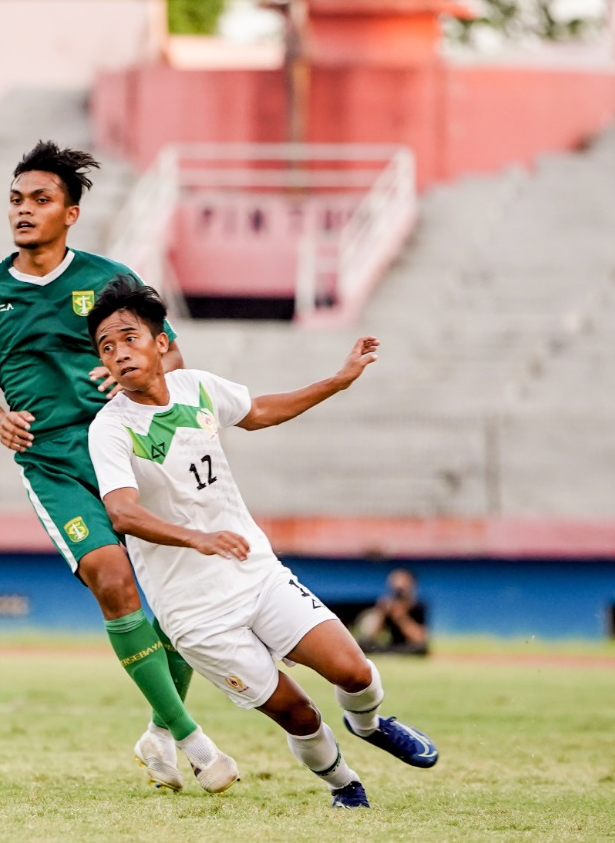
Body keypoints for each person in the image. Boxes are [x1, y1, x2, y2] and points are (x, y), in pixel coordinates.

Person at [0, 141, 238, 793]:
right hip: (52, 465)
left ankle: (158, 732)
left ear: (71, 213)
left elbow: (173, 362)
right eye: (17, 199)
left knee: (173, 610)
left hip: (132, 460)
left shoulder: (109, 282)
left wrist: (132, 368)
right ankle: (195, 739)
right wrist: (3, 421)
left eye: (40, 200)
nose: (24, 210)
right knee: (113, 580)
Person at [85, 275, 439, 808]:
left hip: (254, 571)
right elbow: (121, 511)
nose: (118, 353)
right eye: (106, 347)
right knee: (298, 714)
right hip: (194, 614)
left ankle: (368, 725)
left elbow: (260, 412)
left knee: (355, 671)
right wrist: (196, 538)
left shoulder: (196, 387)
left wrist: (338, 381)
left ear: (161, 343)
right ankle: (346, 787)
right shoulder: (110, 428)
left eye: (129, 337)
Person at [355, 568, 430, 655]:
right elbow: (369, 635)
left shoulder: (418, 606)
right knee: (361, 644)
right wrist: (381, 613)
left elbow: (419, 638)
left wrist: (401, 617)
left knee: (420, 648)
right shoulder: (387, 605)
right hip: (390, 646)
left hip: (407, 647)